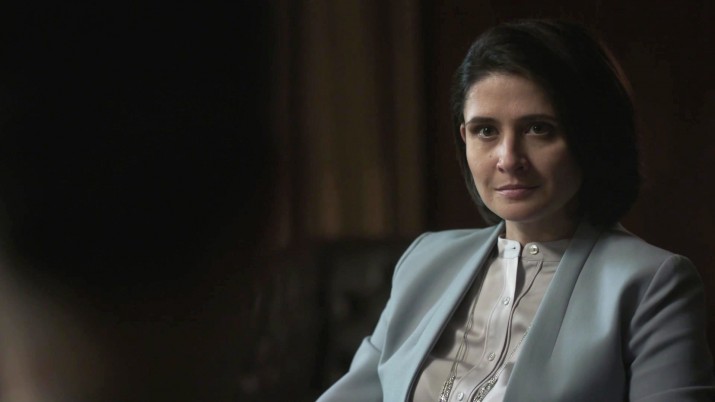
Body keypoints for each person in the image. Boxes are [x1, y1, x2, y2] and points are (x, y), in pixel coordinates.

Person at [317, 19, 715, 401]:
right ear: (465, 138)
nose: (508, 159)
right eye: (486, 131)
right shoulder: (425, 260)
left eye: (538, 128)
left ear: (592, 137)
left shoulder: (651, 284)